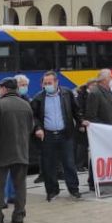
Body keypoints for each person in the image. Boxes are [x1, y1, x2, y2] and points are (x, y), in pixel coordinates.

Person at [0, 77, 34, 223]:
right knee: (20, 185)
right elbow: (30, 127)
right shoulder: (26, 105)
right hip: (21, 151)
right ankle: (18, 215)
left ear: (3, 89)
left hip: (0, 152)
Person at [30, 71, 83, 202]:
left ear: (56, 82)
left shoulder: (67, 94)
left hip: (66, 134)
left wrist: (81, 122)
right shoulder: (38, 98)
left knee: (69, 163)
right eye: (45, 83)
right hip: (47, 136)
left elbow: (76, 110)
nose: (47, 85)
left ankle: (74, 189)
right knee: (49, 165)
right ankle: (52, 191)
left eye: (50, 83)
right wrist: (38, 128)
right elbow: (34, 116)